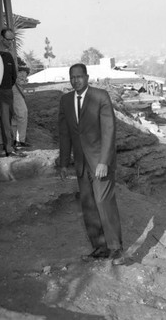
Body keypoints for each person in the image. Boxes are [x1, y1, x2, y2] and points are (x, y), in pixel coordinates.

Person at [58, 63, 124, 265]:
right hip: (80, 163)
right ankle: (100, 247)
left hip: (99, 162)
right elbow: (65, 134)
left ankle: (116, 249)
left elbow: (109, 131)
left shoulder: (100, 96)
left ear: (87, 77)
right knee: (88, 205)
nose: (75, 80)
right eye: (72, 77)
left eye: (79, 76)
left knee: (104, 202)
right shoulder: (66, 100)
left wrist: (104, 161)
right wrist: (63, 163)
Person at [0, 28, 31, 148]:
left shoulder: (11, 50)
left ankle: (19, 140)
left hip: (14, 85)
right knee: (18, 113)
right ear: (2, 39)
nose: (11, 42)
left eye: (13, 39)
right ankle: (15, 141)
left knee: (20, 113)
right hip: (5, 87)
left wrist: (21, 76)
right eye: (8, 39)